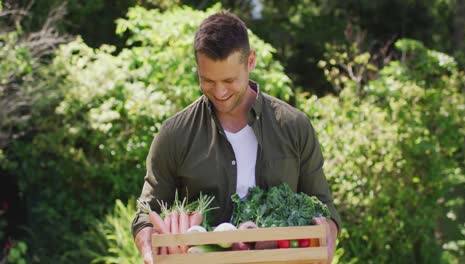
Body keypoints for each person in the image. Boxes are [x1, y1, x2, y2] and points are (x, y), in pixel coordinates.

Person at [132, 11, 341, 264]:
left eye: (229, 80)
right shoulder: (175, 134)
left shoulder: (294, 126)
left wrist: (328, 232)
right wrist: (148, 251)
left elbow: (323, 206)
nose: (219, 92)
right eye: (207, 80)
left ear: (250, 61)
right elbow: (146, 215)